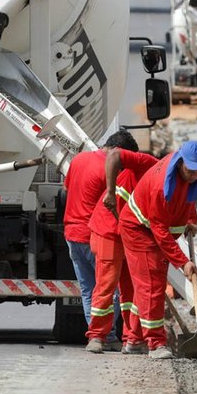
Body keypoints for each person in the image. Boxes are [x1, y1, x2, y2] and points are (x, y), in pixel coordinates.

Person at [116, 141, 197, 360]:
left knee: (149, 285)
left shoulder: (190, 174)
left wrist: (191, 219)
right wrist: (182, 262)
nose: (195, 175)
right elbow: (159, 230)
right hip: (139, 230)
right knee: (152, 287)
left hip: (154, 229)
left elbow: (189, 198)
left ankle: (133, 339)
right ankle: (155, 344)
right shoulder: (161, 186)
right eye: (190, 170)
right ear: (180, 163)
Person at [62, 131, 142, 350]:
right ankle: (105, 336)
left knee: (90, 290)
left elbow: (67, 189)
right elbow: (113, 203)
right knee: (110, 290)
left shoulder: (79, 160)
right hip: (97, 235)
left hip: (71, 233)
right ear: (120, 152)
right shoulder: (112, 170)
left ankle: (99, 337)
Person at [85, 137, 163, 355]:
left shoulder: (165, 179)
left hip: (130, 234)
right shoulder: (146, 169)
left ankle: (132, 338)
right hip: (109, 231)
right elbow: (114, 156)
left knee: (133, 290)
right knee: (106, 285)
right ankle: (97, 336)